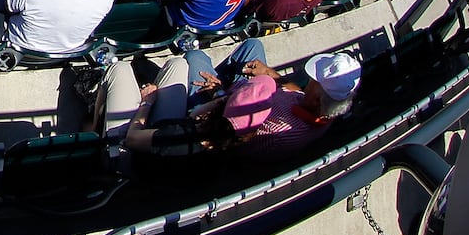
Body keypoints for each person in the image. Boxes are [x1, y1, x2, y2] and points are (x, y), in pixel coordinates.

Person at [103, 39, 361, 158]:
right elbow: (296, 91)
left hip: (198, 127)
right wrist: (269, 75)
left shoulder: (276, 130)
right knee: (253, 47)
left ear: (318, 97)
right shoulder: (326, 111)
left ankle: (100, 113)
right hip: (226, 110)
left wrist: (218, 94)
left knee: (194, 60)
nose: (310, 80)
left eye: (314, 82)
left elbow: (233, 132)